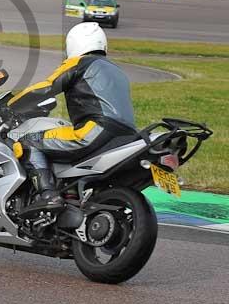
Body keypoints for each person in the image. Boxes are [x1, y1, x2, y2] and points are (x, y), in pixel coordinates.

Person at [8, 22, 137, 214]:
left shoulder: (80, 62)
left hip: (95, 130)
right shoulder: (118, 71)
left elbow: (46, 86)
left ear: (73, 44)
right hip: (128, 136)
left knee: (28, 142)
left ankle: (48, 195)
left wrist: (10, 104)